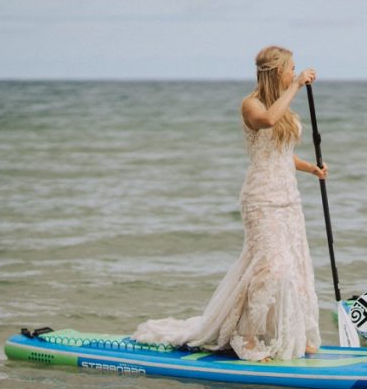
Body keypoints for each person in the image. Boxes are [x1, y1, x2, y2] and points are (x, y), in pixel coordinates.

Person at [133, 46, 327, 361]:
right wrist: (295, 87)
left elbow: (282, 156)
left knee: (295, 264)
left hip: (288, 197)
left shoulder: (285, 108)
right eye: (290, 69)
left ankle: (293, 332)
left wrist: (312, 169)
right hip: (261, 197)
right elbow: (266, 122)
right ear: (277, 71)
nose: (294, 73)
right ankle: (246, 337)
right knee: (270, 267)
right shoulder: (250, 104)